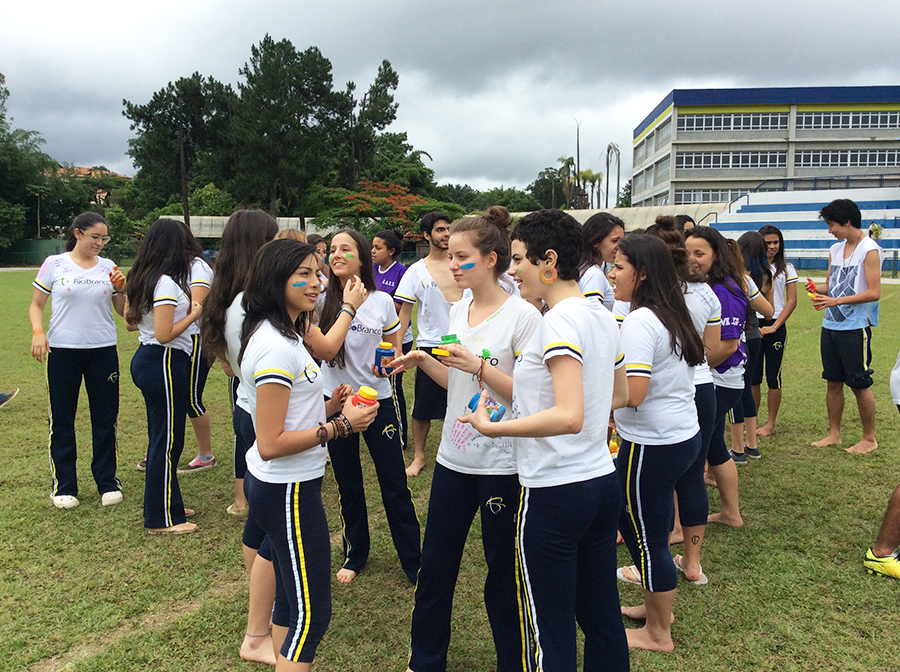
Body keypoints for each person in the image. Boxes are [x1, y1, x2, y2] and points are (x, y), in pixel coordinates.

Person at [461, 208, 630, 671]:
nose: (512, 272)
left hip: (557, 491)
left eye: (518, 261)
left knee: (548, 629)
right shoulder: (601, 314)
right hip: (599, 483)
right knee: (601, 619)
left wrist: (495, 427)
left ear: (548, 260)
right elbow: (619, 394)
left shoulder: (557, 321)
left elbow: (569, 415)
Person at [389, 210, 541, 672]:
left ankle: (513, 662)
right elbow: (458, 378)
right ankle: (426, 660)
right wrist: (423, 361)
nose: (452, 265)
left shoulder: (524, 317)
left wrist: (479, 365)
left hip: (503, 462)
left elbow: (529, 397)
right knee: (436, 567)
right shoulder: (458, 309)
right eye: (450, 255)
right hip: (454, 459)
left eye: (462, 257)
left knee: (503, 574)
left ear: (491, 258)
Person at [240, 238, 379, 670]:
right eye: (303, 273)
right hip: (286, 490)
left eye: (316, 272)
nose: (316, 282)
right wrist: (339, 427)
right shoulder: (276, 348)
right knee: (311, 615)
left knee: (289, 597)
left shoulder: (289, 332)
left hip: (287, 486)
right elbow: (270, 442)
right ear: (274, 280)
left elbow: (289, 416)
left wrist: (328, 407)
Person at [610, 234, 705, 652]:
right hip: (681, 436)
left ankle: (657, 634)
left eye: (619, 267)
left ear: (642, 273)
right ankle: (656, 610)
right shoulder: (671, 311)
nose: (612, 274)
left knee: (647, 538)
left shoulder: (640, 321)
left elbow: (634, 392)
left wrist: (584, 397)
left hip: (652, 444)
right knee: (648, 526)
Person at [318, 229, 421, 584]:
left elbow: (394, 346)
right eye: (332, 250)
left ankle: (413, 559)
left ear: (363, 257)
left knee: (394, 483)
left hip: (379, 403)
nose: (337, 255)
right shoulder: (319, 300)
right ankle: (355, 553)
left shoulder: (381, 301)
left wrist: (387, 362)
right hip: (338, 406)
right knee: (348, 483)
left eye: (345, 249)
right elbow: (320, 349)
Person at [200, 209, 279, 664]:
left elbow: (230, 364)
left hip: (247, 409)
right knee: (273, 523)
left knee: (258, 518)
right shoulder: (253, 304)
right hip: (265, 416)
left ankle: (262, 606)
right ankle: (258, 630)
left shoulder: (228, 298)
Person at [29, 212, 125, 510]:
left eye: (104, 238)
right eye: (95, 236)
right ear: (78, 233)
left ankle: (107, 482)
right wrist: (38, 331)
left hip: (103, 350)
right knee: (62, 419)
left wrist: (121, 288)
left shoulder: (109, 267)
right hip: (63, 351)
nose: (100, 243)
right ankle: (64, 485)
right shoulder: (55, 264)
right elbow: (36, 305)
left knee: (105, 419)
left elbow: (124, 313)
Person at [125, 219, 203, 534]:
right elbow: (164, 333)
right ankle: (161, 519)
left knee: (162, 436)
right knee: (168, 440)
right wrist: (194, 314)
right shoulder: (167, 283)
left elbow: (130, 322)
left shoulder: (140, 277)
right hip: (165, 361)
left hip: (148, 360)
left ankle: (167, 502)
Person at [808, 198, 883, 453]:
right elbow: (830, 285)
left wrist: (836, 300)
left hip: (855, 327)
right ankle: (834, 434)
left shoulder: (869, 249)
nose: (830, 230)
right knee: (833, 381)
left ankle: (869, 439)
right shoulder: (835, 249)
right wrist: (816, 289)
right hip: (830, 326)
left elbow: (874, 292)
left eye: (832, 225)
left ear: (847, 221)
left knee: (859, 383)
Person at [684, 227, 748, 528]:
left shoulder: (724, 290)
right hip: (714, 379)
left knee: (702, 450)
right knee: (714, 446)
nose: (693, 259)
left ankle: (687, 523)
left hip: (721, 380)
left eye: (700, 253)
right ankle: (730, 513)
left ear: (716, 255)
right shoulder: (709, 286)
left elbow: (729, 344)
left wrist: (693, 368)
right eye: (688, 253)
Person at [396, 212, 461, 476]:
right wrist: (397, 348)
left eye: (449, 229)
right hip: (430, 346)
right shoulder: (416, 271)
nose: (446, 234)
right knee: (422, 407)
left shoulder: (464, 264)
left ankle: (461, 451)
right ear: (426, 235)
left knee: (465, 401)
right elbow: (403, 314)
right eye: (440, 230)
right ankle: (419, 456)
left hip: (465, 344)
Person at [729, 232, 774, 462]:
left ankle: (738, 449)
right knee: (746, 388)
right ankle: (751, 445)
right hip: (755, 334)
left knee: (734, 390)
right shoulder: (765, 274)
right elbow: (770, 310)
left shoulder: (736, 276)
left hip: (738, 336)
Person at [176, 226, 216, 474]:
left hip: (197, 339)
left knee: (191, 398)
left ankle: (206, 455)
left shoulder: (198, 267)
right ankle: (164, 448)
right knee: (172, 398)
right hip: (177, 341)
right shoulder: (173, 268)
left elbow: (197, 306)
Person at [754, 224, 798, 436]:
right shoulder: (751, 268)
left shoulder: (787, 268)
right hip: (754, 326)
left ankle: (770, 423)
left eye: (775, 242)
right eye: (767, 243)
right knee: (753, 377)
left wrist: (775, 326)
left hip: (776, 327)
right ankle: (751, 421)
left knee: (774, 376)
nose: (772, 247)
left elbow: (792, 301)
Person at [372, 228, 413, 449]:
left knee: (394, 386)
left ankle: (400, 436)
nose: (373, 251)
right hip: (376, 337)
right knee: (377, 381)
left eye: (378, 247)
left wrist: (380, 302)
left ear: (391, 251)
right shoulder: (372, 269)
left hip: (398, 338)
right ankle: (378, 428)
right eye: (372, 246)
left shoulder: (401, 272)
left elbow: (400, 307)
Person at [578, 212, 625, 311]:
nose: (619, 246)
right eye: (614, 241)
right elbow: (592, 316)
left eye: (622, 241)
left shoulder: (584, 268)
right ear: (595, 241)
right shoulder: (593, 273)